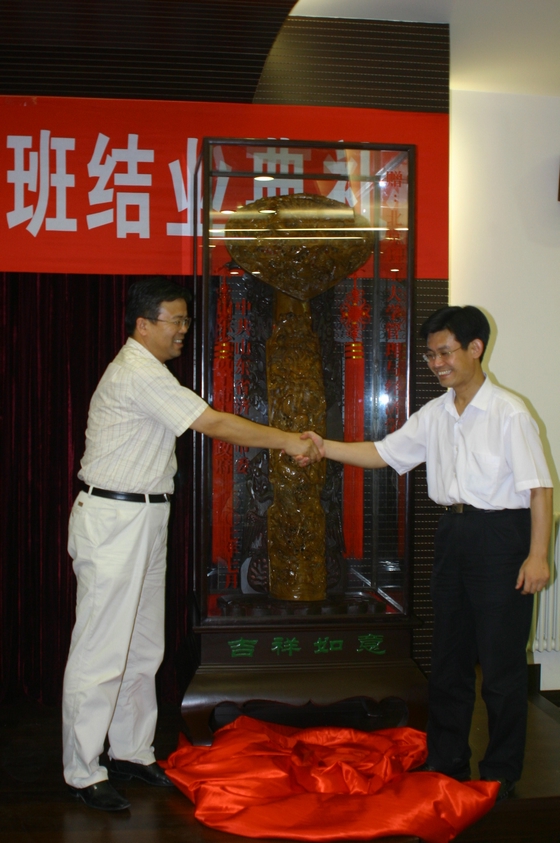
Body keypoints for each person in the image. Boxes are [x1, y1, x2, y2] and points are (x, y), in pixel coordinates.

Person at [62, 277, 320, 812]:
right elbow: (215, 423)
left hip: (144, 516)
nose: (183, 329)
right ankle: (82, 770)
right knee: (101, 650)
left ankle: (130, 752)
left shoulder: (151, 371)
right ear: (143, 325)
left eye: (185, 320)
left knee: (142, 647)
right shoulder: (137, 371)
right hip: (115, 519)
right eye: (175, 321)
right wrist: (287, 440)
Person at [301, 305, 552, 801]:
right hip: (452, 534)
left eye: (445, 352)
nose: (437, 363)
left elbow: (539, 489)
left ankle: (501, 771)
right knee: (449, 657)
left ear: (475, 349)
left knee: (501, 666)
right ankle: (448, 758)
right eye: (430, 355)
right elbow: (382, 453)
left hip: (502, 538)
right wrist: (324, 447)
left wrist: (538, 555)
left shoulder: (509, 412)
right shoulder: (436, 414)